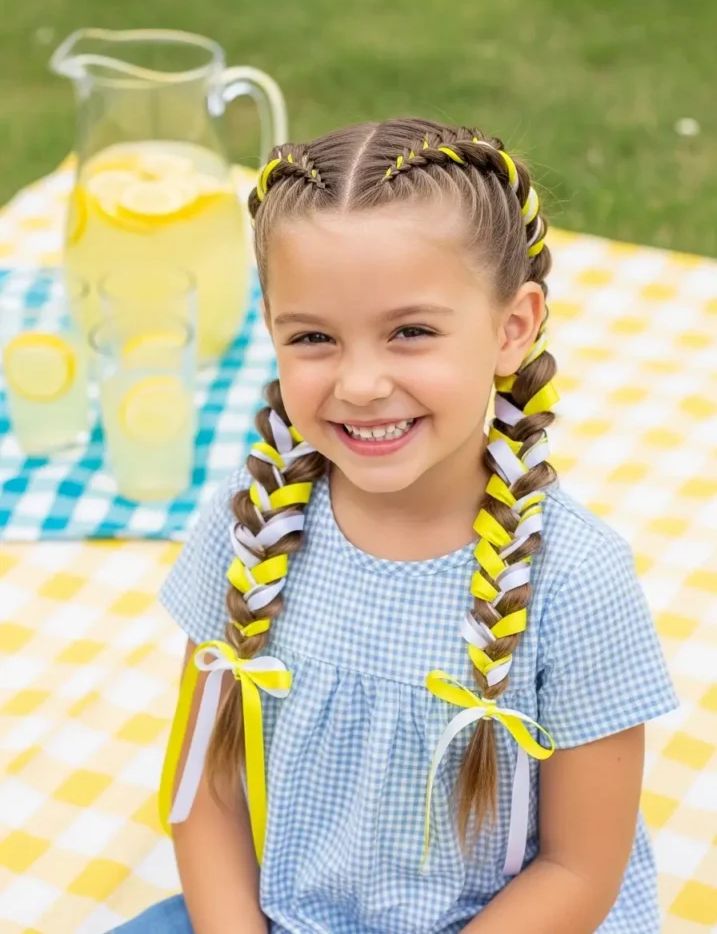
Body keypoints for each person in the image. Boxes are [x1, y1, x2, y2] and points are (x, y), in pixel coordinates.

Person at [116, 118, 678, 934]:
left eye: (410, 332)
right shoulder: (251, 523)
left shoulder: (575, 581)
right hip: (287, 914)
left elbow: (579, 869)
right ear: (270, 328)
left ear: (513, 327)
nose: (361, 383)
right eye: (313, 337)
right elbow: (206, 788)